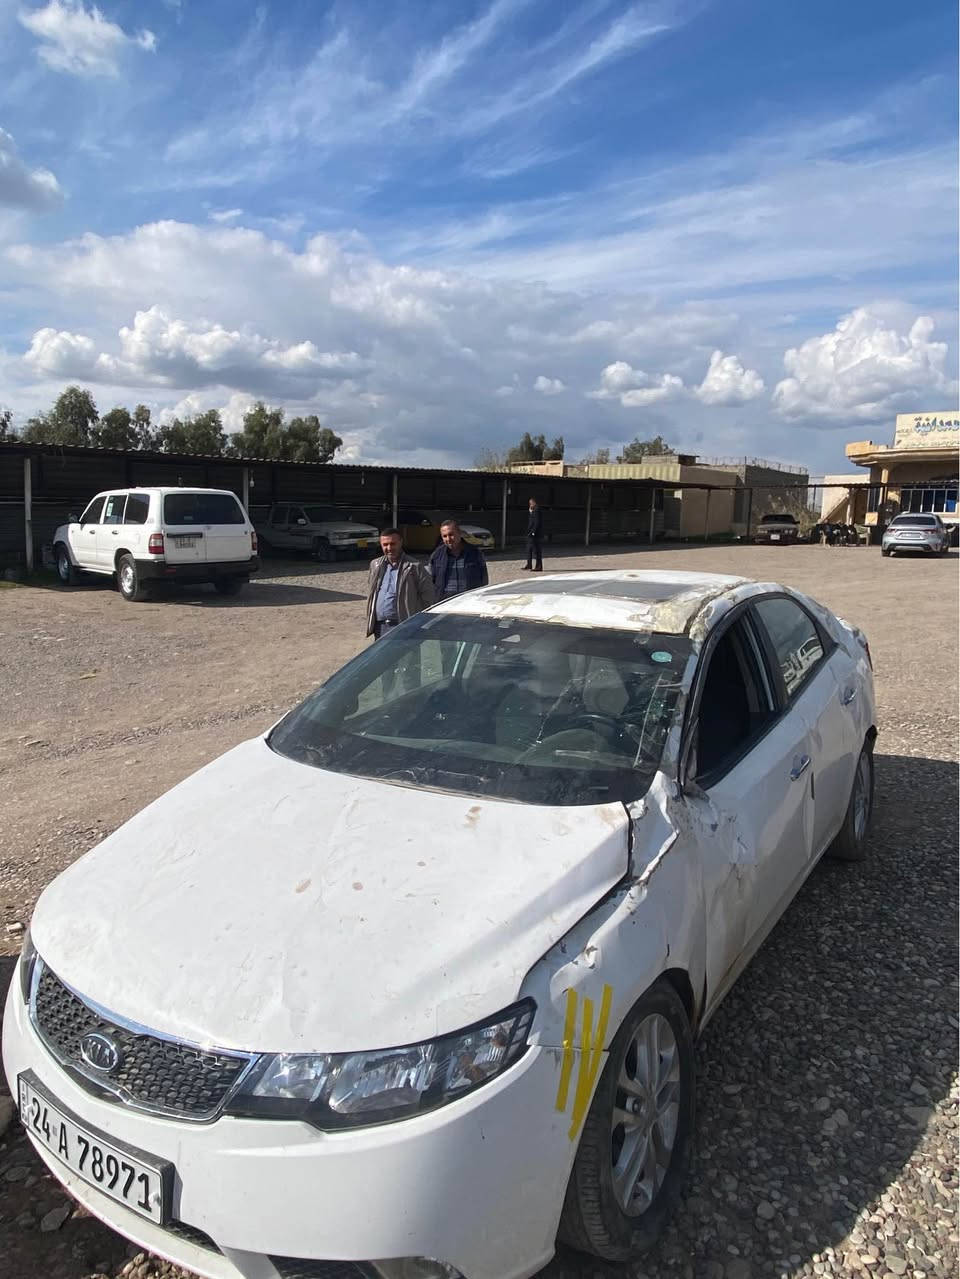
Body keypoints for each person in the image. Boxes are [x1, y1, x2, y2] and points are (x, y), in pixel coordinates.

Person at [366, 528, 434, 639]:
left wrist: (416, 622)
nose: (389, 548)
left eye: (393, 544)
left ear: (401, 542)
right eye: (385, 544)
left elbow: (428, 598)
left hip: (404, 626)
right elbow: (372, 592)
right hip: (380, 627)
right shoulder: (375, 565)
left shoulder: (414, 566)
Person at [428, 518, 489, 601]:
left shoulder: (475, 553)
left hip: (470, 601)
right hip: (445, 603)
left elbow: (484, 580)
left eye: (451, 534)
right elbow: (430, 581)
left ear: (459, 533)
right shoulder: (436, 556)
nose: (448, 539)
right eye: (444, 536)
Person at [522, 497, 543, 571]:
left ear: (534, 502)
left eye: (531, 503)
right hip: (530, 533)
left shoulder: (537, 509)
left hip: (534, 534)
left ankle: (538, 566)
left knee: (536, 550)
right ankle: (529, 564)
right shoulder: (533, 510)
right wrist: (530, 512)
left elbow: (537, 522)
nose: (530, 504)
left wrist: (533, 532)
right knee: (529, 549)